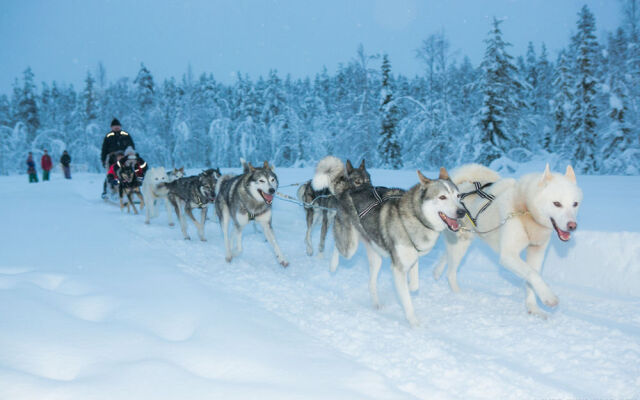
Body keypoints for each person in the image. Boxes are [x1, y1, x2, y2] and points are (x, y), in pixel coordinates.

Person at [101, 118, 134, 197]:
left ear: (120, 126)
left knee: (130, 173)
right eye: (114, 126)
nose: (116, 127)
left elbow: (131, 146)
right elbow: (104, 149)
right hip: (112, 158)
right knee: (111, 173)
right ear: (111, 127)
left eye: (118, 126)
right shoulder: (108, 136)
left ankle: (132, 189)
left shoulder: (125, 135)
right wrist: (103, 160)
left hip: (125, 157)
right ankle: (108, 190)